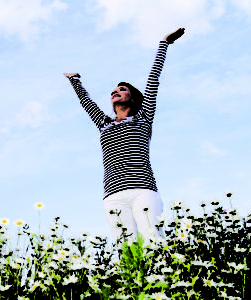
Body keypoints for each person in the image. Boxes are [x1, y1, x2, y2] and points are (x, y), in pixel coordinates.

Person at [64, 28, 185, 246]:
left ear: (132, 97)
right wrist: (75, 80)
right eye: (113, 91)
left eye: (122, 89)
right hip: (113, 195)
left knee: (153, 240)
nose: (115, 92)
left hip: (143, 190)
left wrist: (164, 43)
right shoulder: (104, 124)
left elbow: (153, 79)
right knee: (125, 248)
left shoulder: (144, 117)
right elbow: (86, 102)